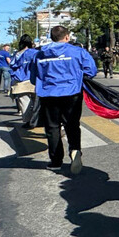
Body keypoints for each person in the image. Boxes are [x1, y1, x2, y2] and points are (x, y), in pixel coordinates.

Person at [31, 26, 98, 173]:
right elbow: (91, 71)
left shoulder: (40, 54)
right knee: (72, 124)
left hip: (48, 94)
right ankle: (75, 150)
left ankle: (56, 161)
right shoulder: (78, 51)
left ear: (51, 37)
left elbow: (33, 77)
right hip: (72, 93)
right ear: (67, 37)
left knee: (52, 128)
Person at [9, 35, 39, 117]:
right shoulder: (35, 53)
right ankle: (36, 120)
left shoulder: (17, 54)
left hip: (20, 81)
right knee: (36, 102)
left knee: (24, 102)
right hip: (34, 80)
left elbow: (12, 65)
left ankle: (27, 120)